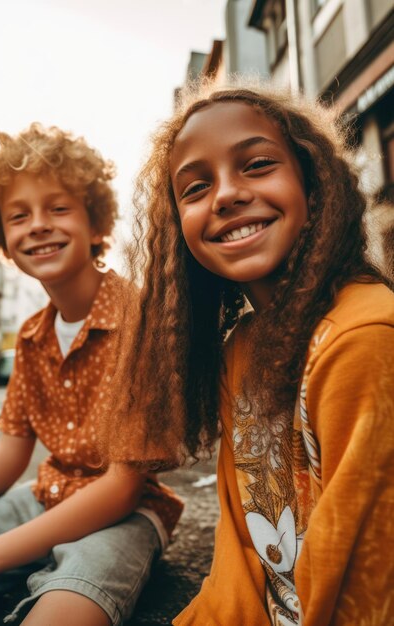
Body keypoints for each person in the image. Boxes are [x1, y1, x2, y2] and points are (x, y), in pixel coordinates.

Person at [102, 79, 394, 625]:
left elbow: (366, 587)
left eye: (257, 165)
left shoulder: (365, 336)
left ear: (315, 185)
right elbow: (241, 555)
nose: (226, 194)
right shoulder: (240, 350)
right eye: (194, 188)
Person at [0, 123, 183, 626]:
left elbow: (123, 486)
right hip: (45, 496)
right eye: (18, 216)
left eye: (59, 208)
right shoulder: (29, 335)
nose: (38, 225)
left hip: (128, 514)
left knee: (66, 607)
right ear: (1, 237)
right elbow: (10, 448)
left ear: (96, 223)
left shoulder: (139, 318)